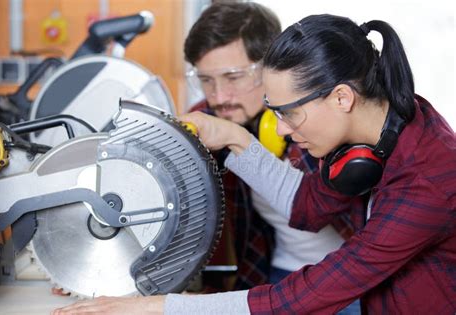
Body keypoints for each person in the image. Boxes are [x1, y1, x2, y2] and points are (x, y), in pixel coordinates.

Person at [53, 13, 456, 315]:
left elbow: (309, 294)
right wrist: (234, 139)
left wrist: (160, 307)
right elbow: (309, 207)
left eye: (289, 114)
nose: (279, 130)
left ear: (341, 98)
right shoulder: (380, 127)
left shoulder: (430, 180)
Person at [183, 1, 352, 294]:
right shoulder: (210, 120)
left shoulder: (320, 114)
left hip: (348, 273)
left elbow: (318, 209)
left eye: (233, 77)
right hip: (275, 272)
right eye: (206, 81)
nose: (220, 96)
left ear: (271, 68)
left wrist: (238, 140)